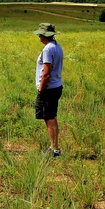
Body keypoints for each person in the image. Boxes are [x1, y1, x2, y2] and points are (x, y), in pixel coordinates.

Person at [34, 23, 63, 157]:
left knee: (49, 118)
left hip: (48, 88)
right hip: (56, 86)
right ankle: (54, 147)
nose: (39, 36)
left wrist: (41, 88)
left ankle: (54, 150)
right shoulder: (57, 47)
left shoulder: (47, 50)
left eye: (40, 34)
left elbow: (46, 73)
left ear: (44, 35)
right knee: (52, 117)